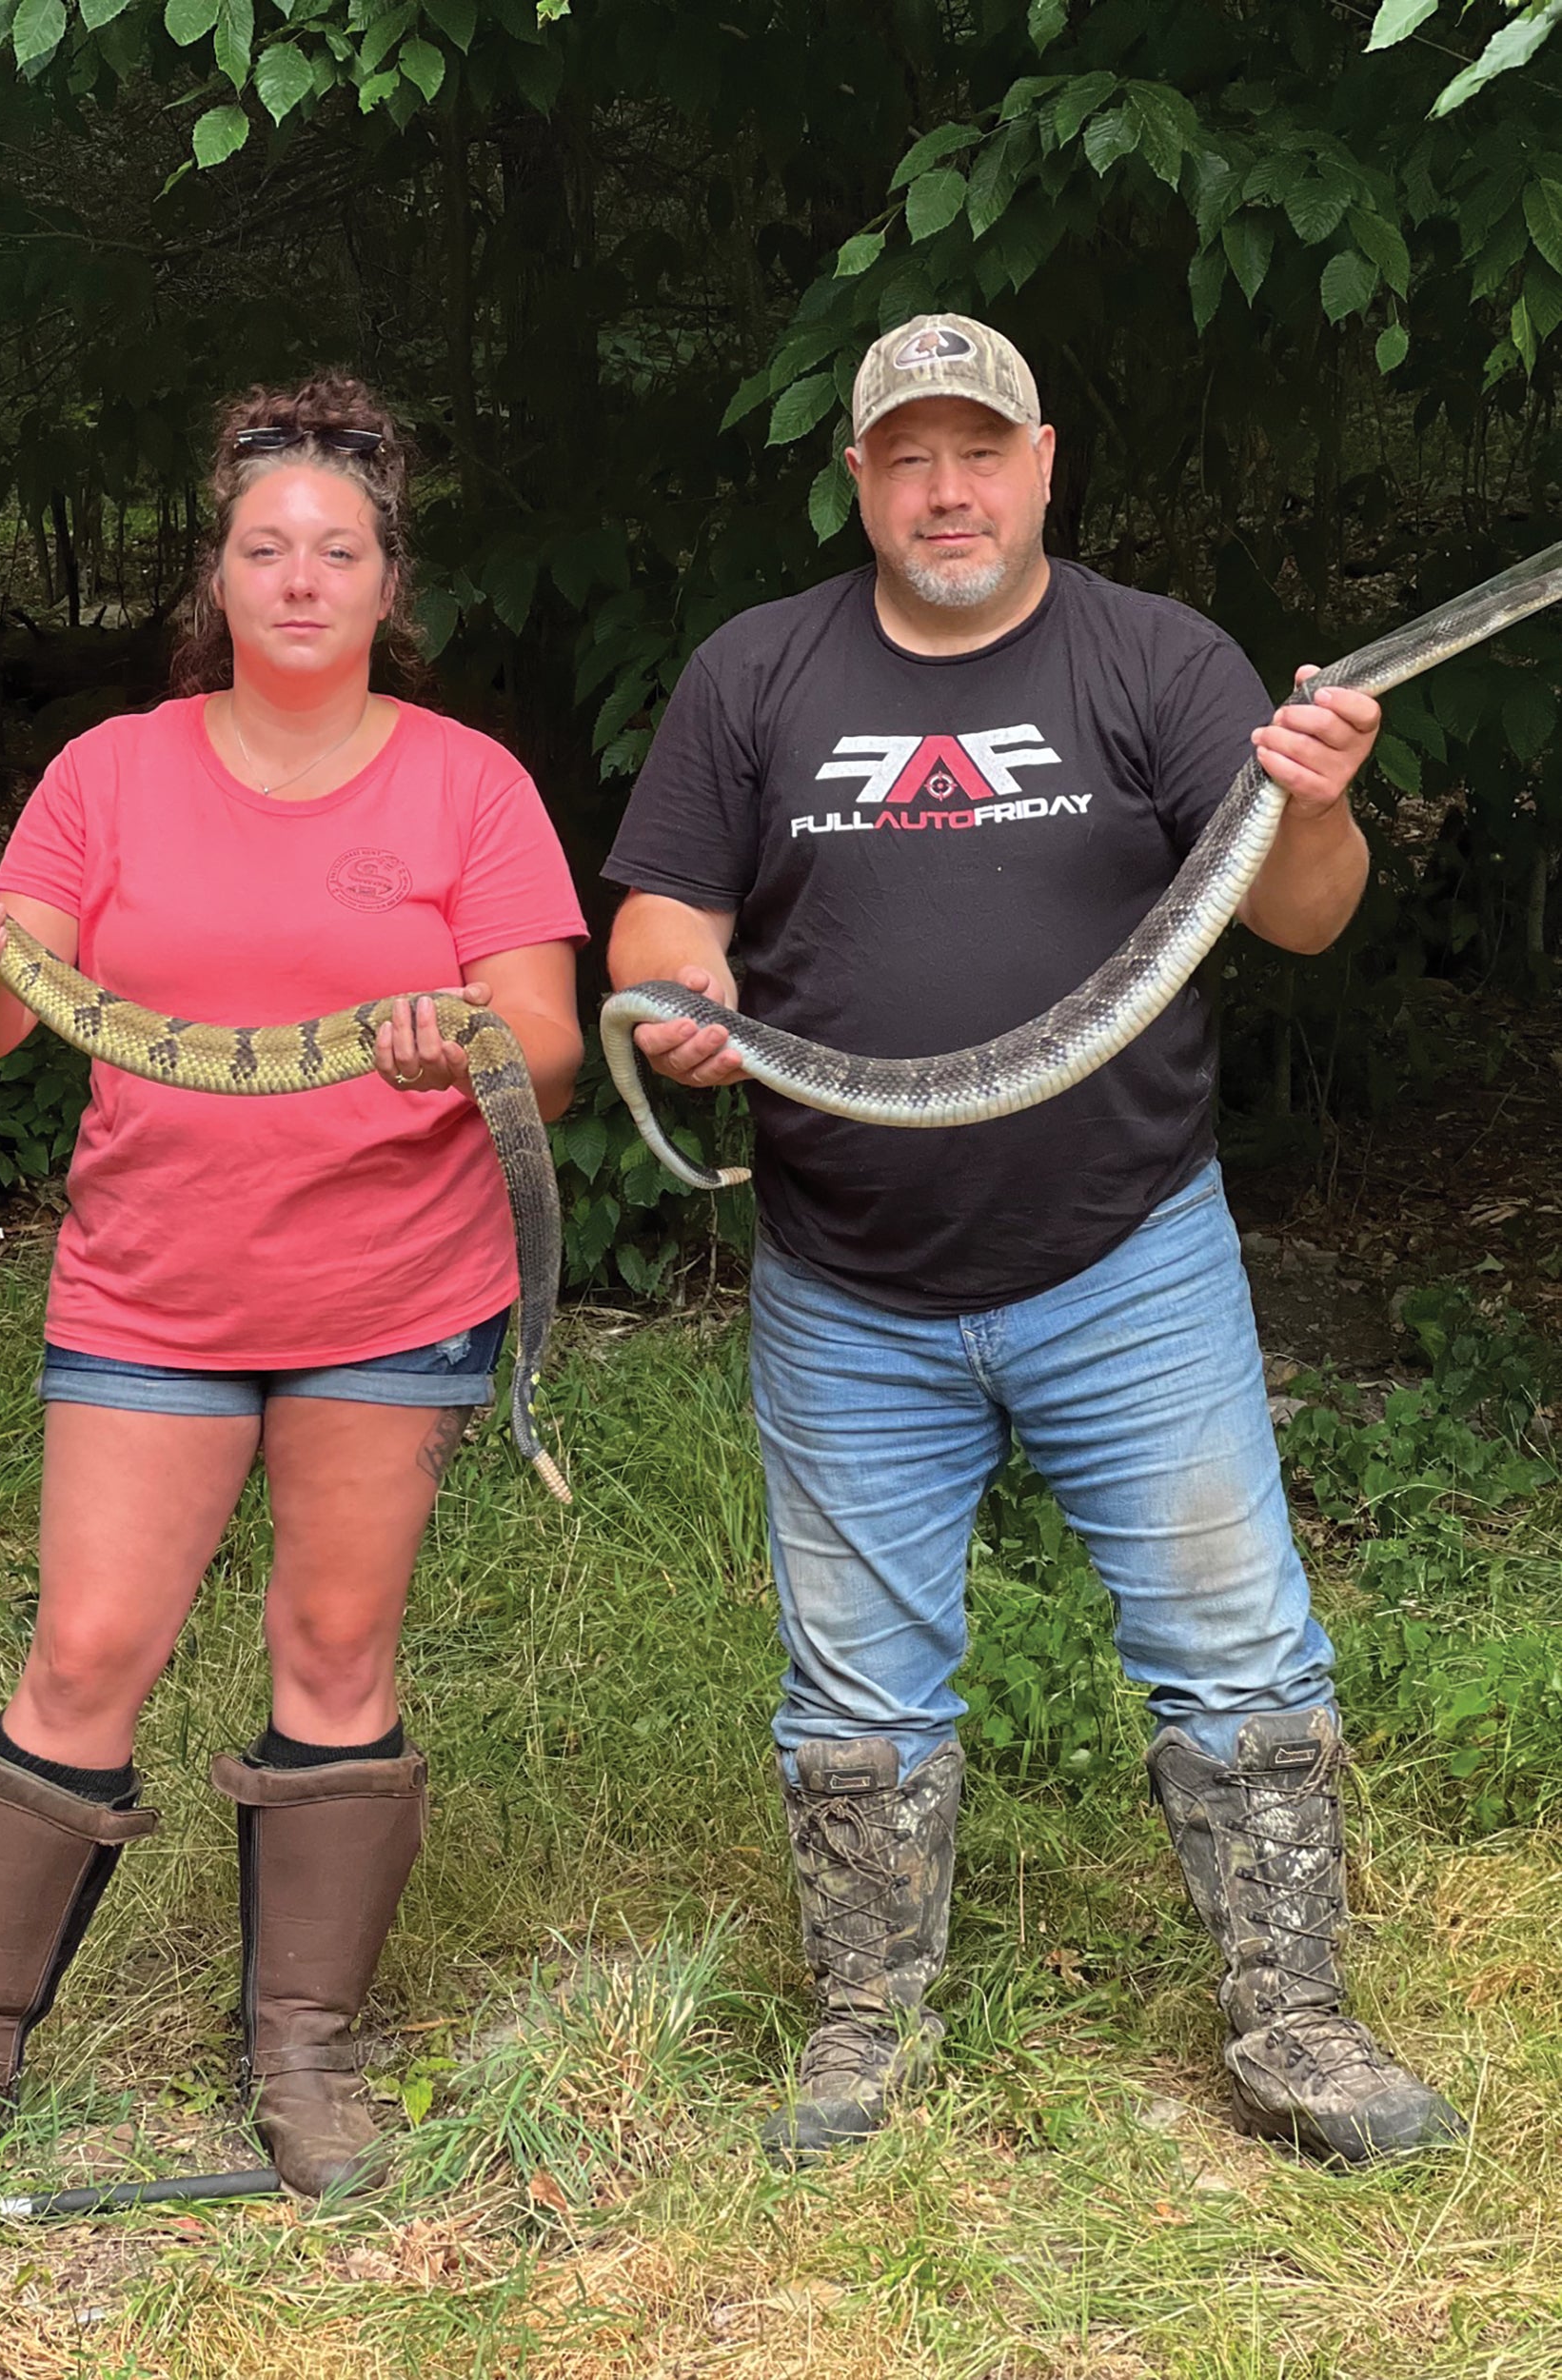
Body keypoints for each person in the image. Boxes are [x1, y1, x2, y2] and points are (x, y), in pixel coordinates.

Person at [603, 314, 1462, 2169]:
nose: (944, 488)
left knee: (1236, 1648)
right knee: (851, 1678)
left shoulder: (1154, 660)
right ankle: (860, 2019)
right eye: (906, 456)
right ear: (858, 482)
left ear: (1040, 462)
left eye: (973, 451)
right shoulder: (753, 674)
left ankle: (1293, 2017)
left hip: (1127, 1257)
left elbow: (1303, 918)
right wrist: (679, 994)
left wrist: (1309, 800)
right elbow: (662, 916)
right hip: (847, 1278)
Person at [0, 375, 586, 2202]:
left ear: (386, 579)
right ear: (222, 575)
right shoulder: (110, 774)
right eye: (269, 547)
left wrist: (463, 1046)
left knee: (335, 1653)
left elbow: (552, 1052)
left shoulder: (466, 782)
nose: (303, 577)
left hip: (393, 1286)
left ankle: (308, 2059)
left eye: (339, 549)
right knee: (88, 1650)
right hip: (148, 1293)